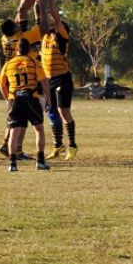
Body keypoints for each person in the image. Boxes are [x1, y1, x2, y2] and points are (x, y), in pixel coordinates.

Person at [0, 39, 52, 172]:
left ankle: (12, 164)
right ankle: (40, 162)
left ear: (16, 50)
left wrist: (8, 99)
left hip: (15, 100)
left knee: (14, 131)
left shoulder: (8, 64)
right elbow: (44, 82)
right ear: (28, 50)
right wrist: (48, 99)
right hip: (31, 98)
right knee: (39, 129)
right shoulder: (34, 62)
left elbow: (2, 85)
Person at [0, 18, 41, 159]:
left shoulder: (4, 38)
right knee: (21, 116)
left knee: (14, 115)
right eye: (17, 26)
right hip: (20, 74)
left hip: (10, 73)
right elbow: (40, 31)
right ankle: (13, 148)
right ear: (15, 30)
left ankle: (10, 145)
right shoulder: (21, 38)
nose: (19, 25)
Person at [40, 12, 78, 161]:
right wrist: (39, 6)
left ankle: (73, 146)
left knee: (64, 112)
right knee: (51, 112)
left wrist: (49, 6)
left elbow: (56, 21)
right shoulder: (45, 37)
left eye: (57, 25)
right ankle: (58, 145)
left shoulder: (62, 38)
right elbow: (41, 20)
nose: (54, 25)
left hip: (62, 79)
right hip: (49, 80)